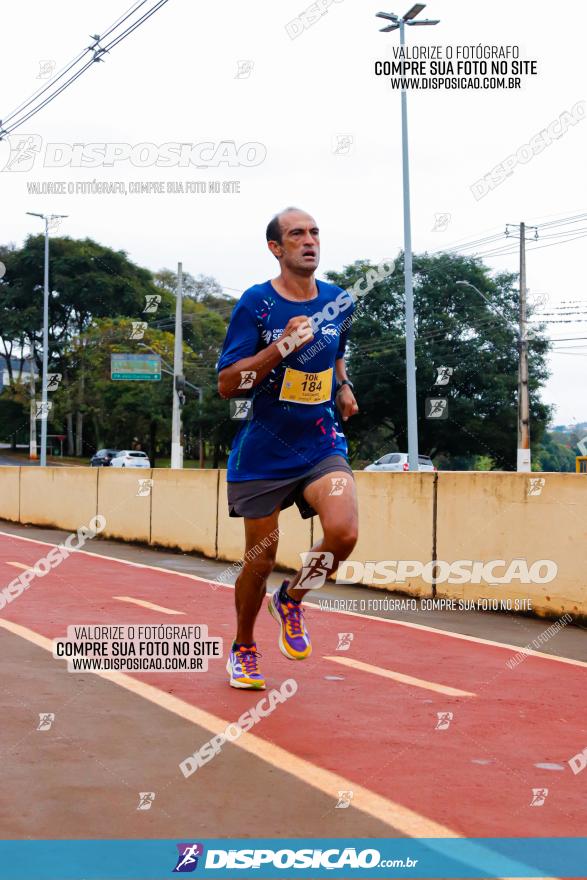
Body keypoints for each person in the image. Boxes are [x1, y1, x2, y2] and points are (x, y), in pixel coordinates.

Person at [217, 207, 359, 689]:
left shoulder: (340, 300)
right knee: (258, 560)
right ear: (276, 248)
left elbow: (337, 350)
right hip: (263, 450)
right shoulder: (255, 304)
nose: (309, 241)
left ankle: (293, 598)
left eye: (315, 232)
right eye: (296, 234)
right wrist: (280, 347)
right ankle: (244, 646)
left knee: (342, 533)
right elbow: (228, 385)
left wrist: (343, 385)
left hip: (321, 442)